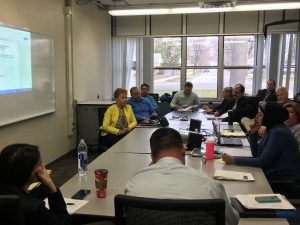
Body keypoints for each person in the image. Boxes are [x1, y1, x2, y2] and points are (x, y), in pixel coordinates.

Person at [125, 128, 239, 225]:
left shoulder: (133, 184)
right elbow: (232, 221)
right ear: (183, 150)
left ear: (152, 157)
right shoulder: (211, 187)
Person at [222, 102, 300, 181]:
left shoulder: (279, 132)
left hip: (282, 181)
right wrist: (253, 132)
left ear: (270, 116)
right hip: (271, 175)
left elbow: (261, 161)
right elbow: (257, 155)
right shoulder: (271, 128)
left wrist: (234, 160)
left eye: (260, 114)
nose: (256, 117)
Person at [0, 144, 70, 225]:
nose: (43, 165)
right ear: (28, 171)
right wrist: (52, 188)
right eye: (40, 163)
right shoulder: (35, 208)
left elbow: (28, 195)